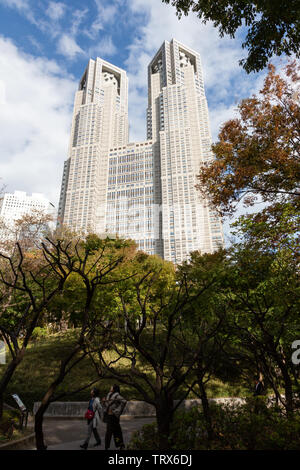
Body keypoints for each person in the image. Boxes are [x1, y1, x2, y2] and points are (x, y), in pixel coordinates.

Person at [102, 384, 127, 450]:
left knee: (114, 432)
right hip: (109, 416)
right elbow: (107, 405)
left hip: (114, 416)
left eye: (111, 387)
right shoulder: (109, 394)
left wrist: (117, 411)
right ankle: (109, 446)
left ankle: (119, 445)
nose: (110, 387)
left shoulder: (117, 395)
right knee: (111, 432)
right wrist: (104, 402)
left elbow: (124, 401)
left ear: (114, 388)